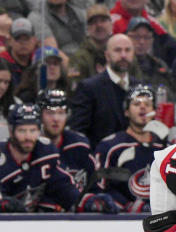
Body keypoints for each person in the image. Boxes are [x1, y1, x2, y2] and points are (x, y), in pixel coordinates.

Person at [0, 103, 116, 212]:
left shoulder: (45, 151)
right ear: (11, 131)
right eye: (22, 130)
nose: (28, 137)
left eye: (33, 130)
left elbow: (62, 186)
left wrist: (87, 201)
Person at [95, 84, 168, 212]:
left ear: (154, 111)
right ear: (126, 111)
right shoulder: (110, 147)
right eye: (136, 103)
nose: (142, 107)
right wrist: (130, 206)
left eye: (148, 104)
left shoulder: (165, 149)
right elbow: (101, 189)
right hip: (122, 221)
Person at [68, 33, 138, 146]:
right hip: (99, 158)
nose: (123, 55)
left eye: (128, 50)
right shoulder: (89, 88)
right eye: (118, 50)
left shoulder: (139, 87)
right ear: (107, 55)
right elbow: (77, 133)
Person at [38, 88, 96, 193]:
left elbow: (95, 183)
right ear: (40, 115)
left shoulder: (80, 145)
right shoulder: (32, 147)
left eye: (61, 112)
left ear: (67, 115)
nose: (56, 119)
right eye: (50, 112)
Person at [67, 3, 114, 86]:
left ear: (111, 24)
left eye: (103, 20)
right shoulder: (78, 58)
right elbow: (76, 90)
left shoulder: (122, 52)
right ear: (88, 28)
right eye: (93, 22)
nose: (99, 25)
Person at [2, 17, 37, 87]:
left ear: (34, 40)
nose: (23, 43)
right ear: (10, 41)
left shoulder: (39, 60)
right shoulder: (2, 63)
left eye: (26, 38)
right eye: (18, 38)